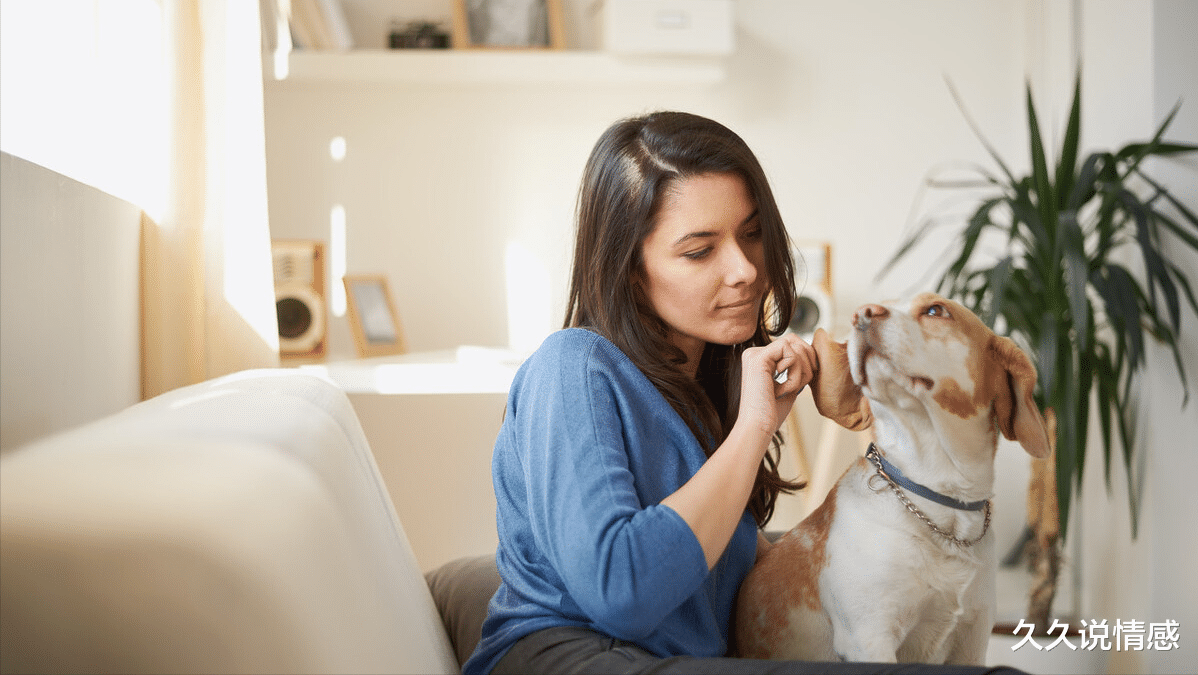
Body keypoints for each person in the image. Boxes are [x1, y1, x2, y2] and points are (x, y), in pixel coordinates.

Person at [463, 112, 1024, 675]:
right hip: (574, 661)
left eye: (752, 234)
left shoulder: (700, 397)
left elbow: (736, 579)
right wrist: (753, 431)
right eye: (699, 251)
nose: (745, 270)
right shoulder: (571, 368)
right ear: (632, 270)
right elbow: (623, 594)